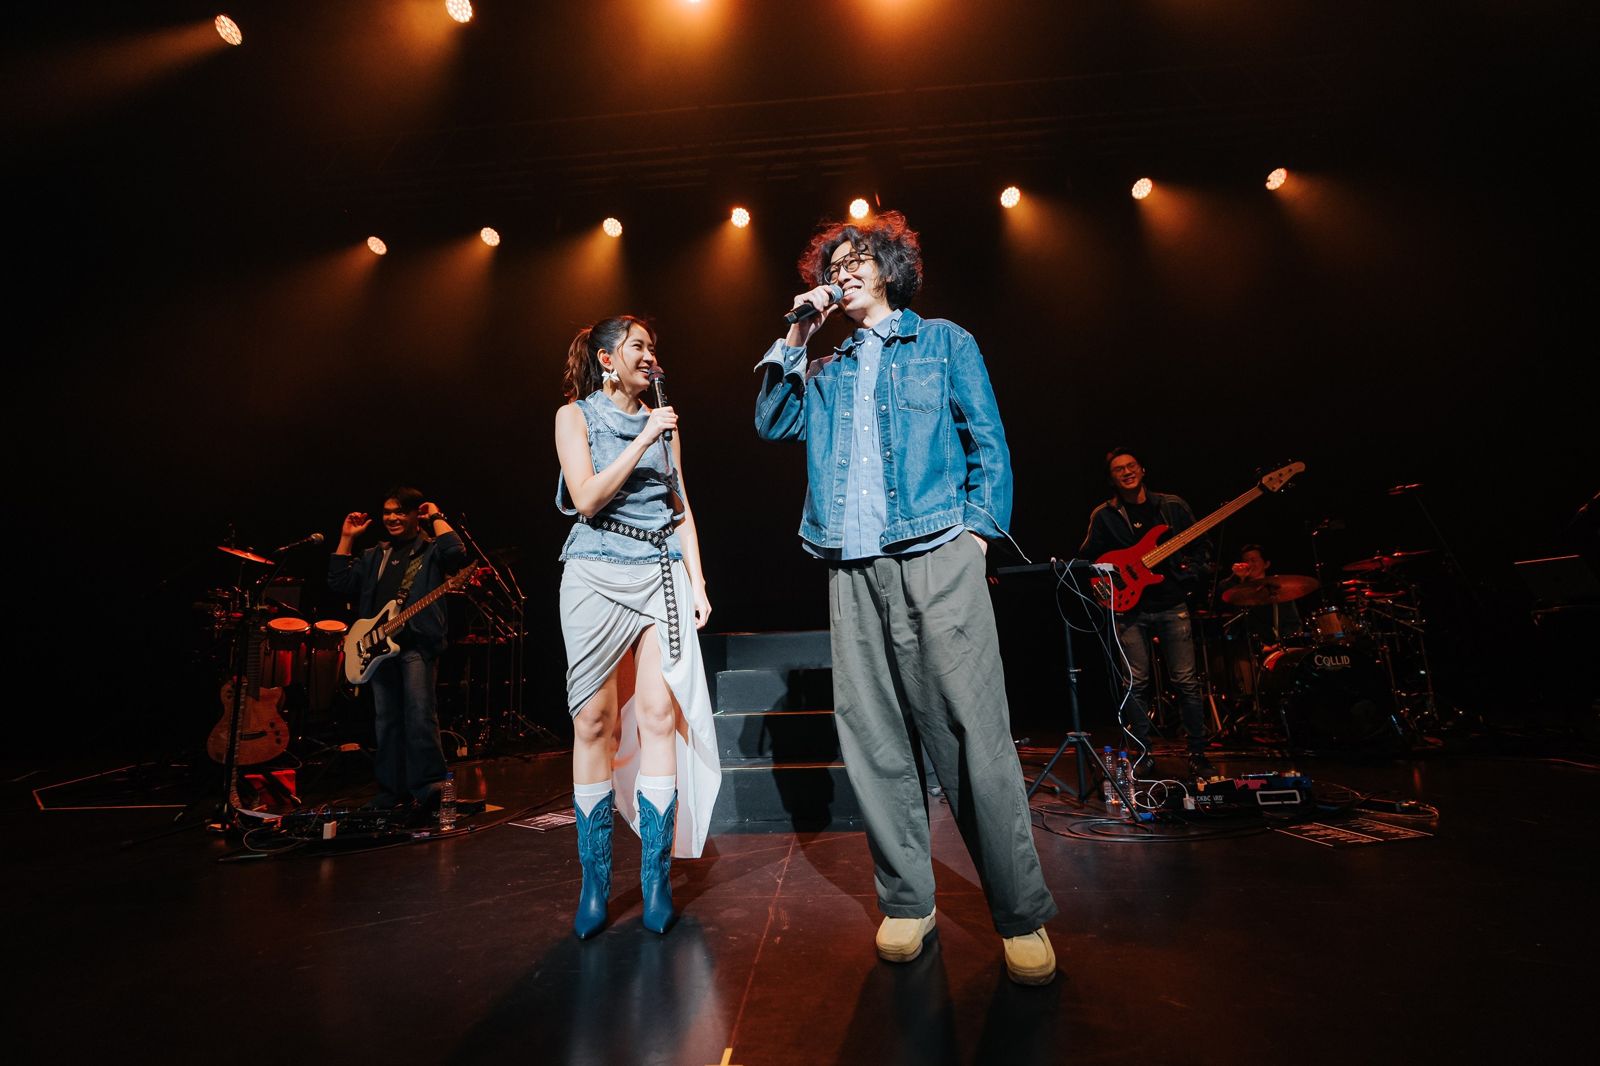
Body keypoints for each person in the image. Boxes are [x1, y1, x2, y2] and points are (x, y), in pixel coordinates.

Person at [753, 211, 1058, 986]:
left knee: (972, 734)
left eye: (857, 260)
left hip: (936, 550)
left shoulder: (943, 342)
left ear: (890, 267)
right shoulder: (827, 366)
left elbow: (988, 440)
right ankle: (907, 902)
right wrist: (797, 332)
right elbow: (772, 420)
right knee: (875, 738)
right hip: (851, 565)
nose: (844, 272)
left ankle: (1019, 912)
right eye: (834, 266)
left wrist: (978, 535)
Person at [555, 315, 720, 938]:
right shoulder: (574, 417)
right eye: (638, 347)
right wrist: (645, 435)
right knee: (594, 722)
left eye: (654, 347)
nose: (651, 356)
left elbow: (680, 507)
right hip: (595, 571)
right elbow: (586, 498)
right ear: (607, 359)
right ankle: (595, 882)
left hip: (659, 572)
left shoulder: (665, 423)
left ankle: (656, 880)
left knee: (658, 716)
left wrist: (697, 581)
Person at [328, 489, 468, 818]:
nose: (391, 518)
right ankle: (392, 791)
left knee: (419, 715)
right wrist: (347, 538)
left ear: (416, 515)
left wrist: (436, 516)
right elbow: (339, 581)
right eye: (387, 512)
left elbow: (456, 552)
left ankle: (430, 788)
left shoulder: (430, 550)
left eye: (400, 512)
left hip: (416, 644)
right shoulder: (376, 554)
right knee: (387, 721)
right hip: (377, 647)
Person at [1078, 449, 1217, 777]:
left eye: (1131, 466)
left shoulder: (1171, 506)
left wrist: (1190, 571)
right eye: (1119, 469)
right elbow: (1087, 559)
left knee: (1186, 682)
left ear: (1142, 469)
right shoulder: (1104, 515)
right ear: (1111, 479)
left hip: (1171, 603)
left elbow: (1203, 547)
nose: (1126, 472)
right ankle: (1142, 754)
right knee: (1135, 684)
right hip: (1129, 608)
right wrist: (1104, 584)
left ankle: (1197, 753)